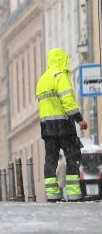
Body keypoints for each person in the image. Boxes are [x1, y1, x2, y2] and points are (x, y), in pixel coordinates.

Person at [36, 47, 87, 202]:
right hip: (64, 125)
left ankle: (52, 195)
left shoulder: (42, 80)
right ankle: (74, 194)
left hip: (47, 128)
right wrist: (79, 119)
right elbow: (67, 101)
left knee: (50, 160)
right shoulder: (60, 76)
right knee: (72, 157)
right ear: (62, 60)